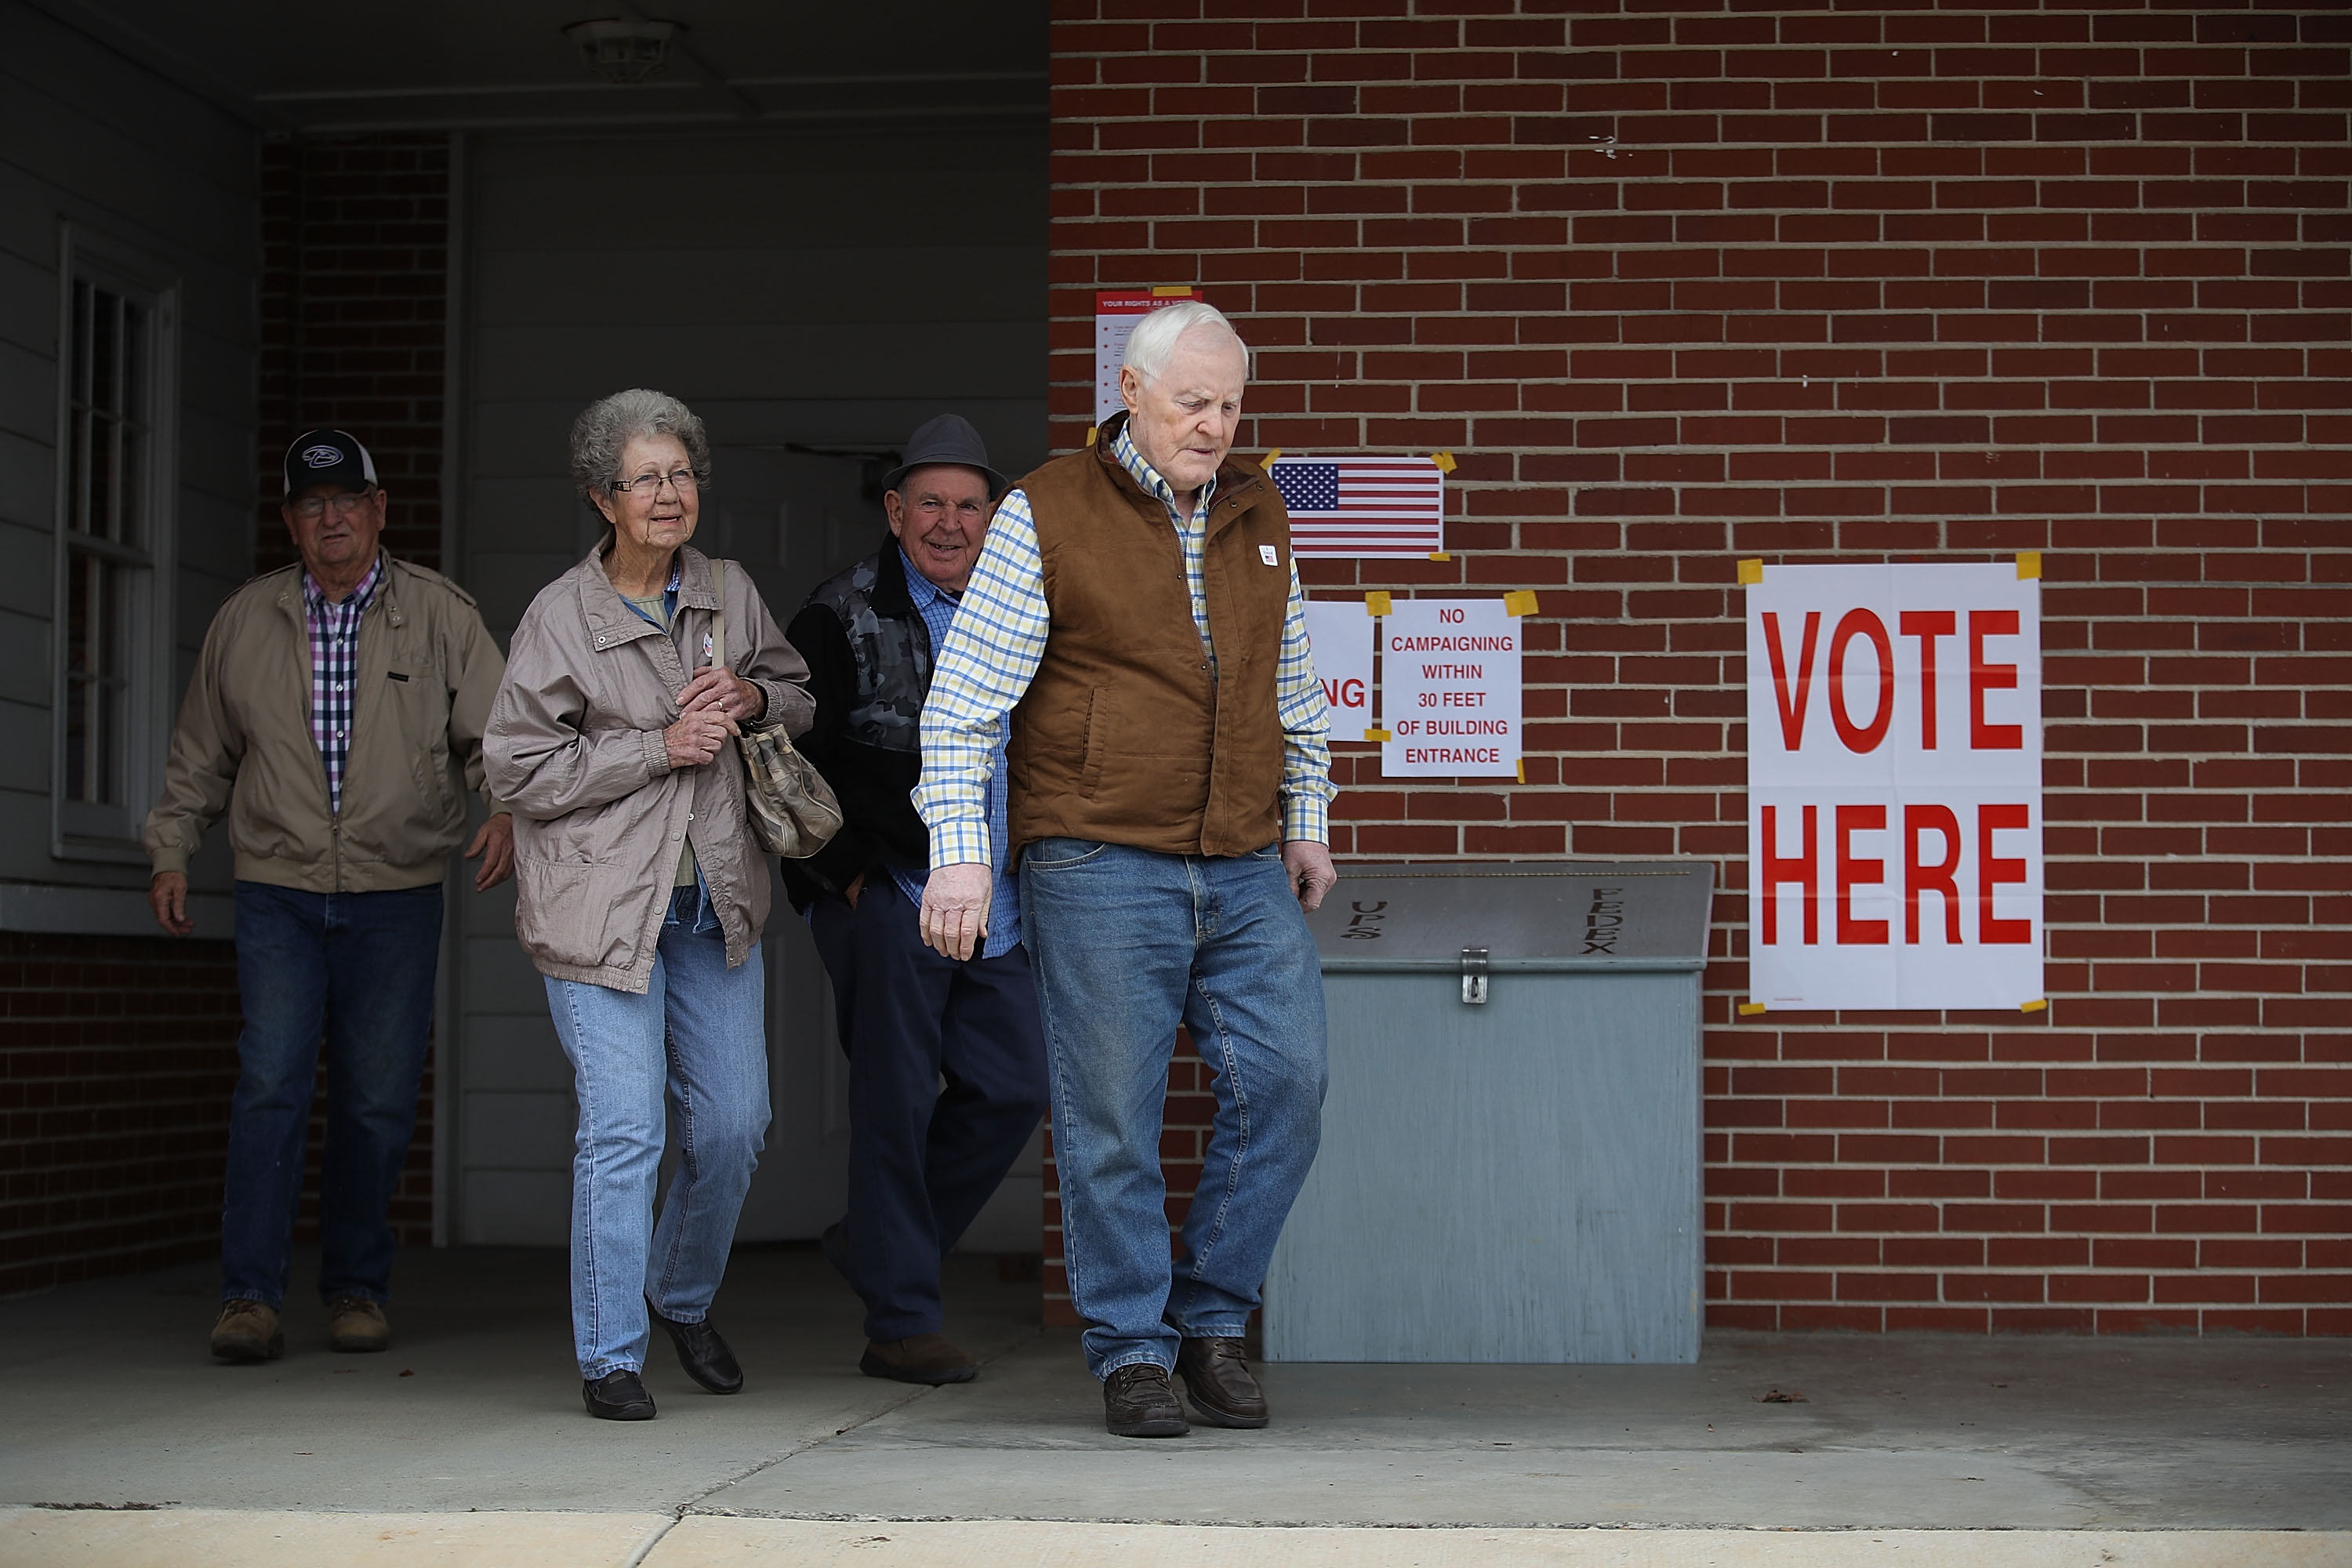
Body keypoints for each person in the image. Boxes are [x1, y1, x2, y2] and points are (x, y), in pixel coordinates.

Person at [913, 302, 1337, 1439]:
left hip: (1243, 860)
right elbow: (962, 712)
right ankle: (1133, 1349)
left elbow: (1292, 688)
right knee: (1111, 1119)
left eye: (1231, 403)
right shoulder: (1044, 511)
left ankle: (1209, 1320)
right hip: (1098, 858)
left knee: (1290, 1083)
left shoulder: (1261, 513)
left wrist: (1306, 819)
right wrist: (963, 860)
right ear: (1133, 394)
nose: (1214, 424)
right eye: (1192, 402)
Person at [145, 429, 516, 1364]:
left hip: (397, 892)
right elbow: (200, 755)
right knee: (271, 1082)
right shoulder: (245, 620)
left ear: (380, 509)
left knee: (376, 1099)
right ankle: (248, 1297)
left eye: (349, 499)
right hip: (278, 887)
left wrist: (507, 810)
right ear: (291, 520)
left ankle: (356, 1286)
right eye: (313, 504)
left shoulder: (439, 614)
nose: (333, 517)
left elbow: (499, 738)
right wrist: (171, 850)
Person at [486, 389, 814, 1422]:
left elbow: (796, 690)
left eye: (681, 475)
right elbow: (518, 769)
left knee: (734, 1125)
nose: (670, 495)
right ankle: (609, 1353)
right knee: (625, 1131)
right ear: (602, 498)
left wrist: (753, 699)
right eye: (645, 480)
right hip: (599, 917)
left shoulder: (727, 592)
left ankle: (679, 1295)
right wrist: (655, 747)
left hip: (714, 909)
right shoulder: (558, 619)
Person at [782, 415, 1051, 1387]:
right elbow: (785, 758)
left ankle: (876, 1243)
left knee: (1017, 1082)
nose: (949, 522)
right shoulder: (839, 610)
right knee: (895, 1100)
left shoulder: (1027, 608)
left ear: (996, 516)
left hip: (999, 896)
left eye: (969, 504)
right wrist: (844, 871)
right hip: (889, 890)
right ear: (895, 512)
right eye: (929, 502)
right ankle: (902, 1321)